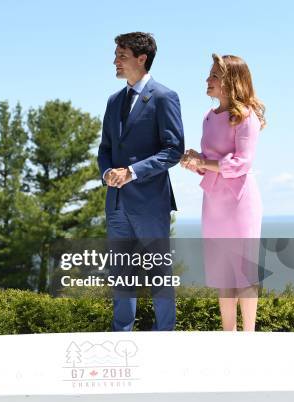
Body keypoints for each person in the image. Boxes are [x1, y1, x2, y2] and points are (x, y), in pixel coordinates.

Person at [97, 32, 184, 331]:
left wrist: (131, 172)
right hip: (117, 203)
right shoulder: (113, 101)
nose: (115, 61)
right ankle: (121, 337)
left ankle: (165, 336)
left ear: (141, 58)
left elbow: (174, 150)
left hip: (150, 202)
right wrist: (107, 172)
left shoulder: (164, 97)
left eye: (121, 55)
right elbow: (105, 149)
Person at [181, 54, 265, 331]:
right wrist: (195, 161)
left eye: (214, 75)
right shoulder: (208, 117)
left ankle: (249, 335)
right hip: (214, 202)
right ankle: (228, 335)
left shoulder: (246, 117)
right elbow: (211, 163)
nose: (208, 79)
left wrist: (203, 161)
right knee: (222, 271)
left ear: (231, 81)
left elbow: (242, 163)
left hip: (241, 202)